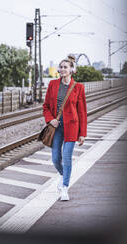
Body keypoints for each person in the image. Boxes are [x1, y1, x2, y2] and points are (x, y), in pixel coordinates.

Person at [42, 55, 87, 201]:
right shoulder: (53, 85)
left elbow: (82, 112)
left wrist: (82, 133)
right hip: (56, 128)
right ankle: (63, 175)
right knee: (56, 159)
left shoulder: (79, 87)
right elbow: (46, 107)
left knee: (67, 157)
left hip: (72, 127)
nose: (62, 69)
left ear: (71, 70)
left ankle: (65, 187)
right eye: (60, 67)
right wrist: (50, 120)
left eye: (65, 67)